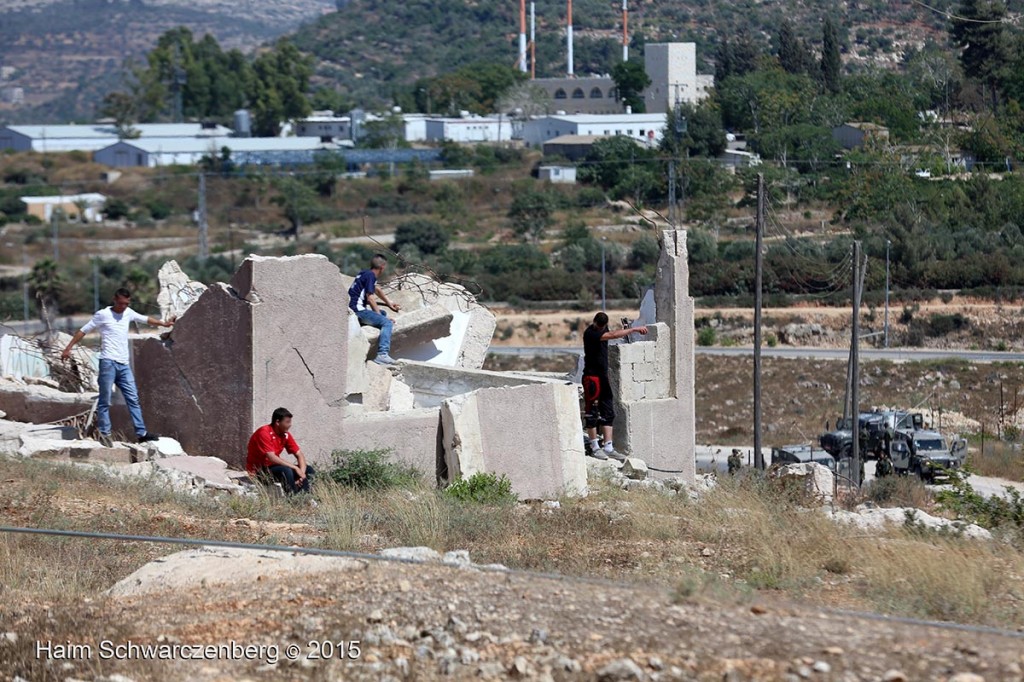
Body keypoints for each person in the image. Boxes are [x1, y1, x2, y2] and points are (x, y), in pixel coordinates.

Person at [61, 288, 172, 448]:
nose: (123, 306)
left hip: (123, 365)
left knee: (133, 399)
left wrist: (164, 323)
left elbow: (145, 319)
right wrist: (68, 348)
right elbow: (83, 331)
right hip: (108, 363)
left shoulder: (128, 312)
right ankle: (104, 434)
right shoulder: (103, 314)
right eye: (120, 303)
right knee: (105, 400)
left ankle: (141, 434)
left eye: (126, 304)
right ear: (114, 300)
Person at [582, 312, 648, 460]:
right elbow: (612, 335)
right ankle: (594, 447)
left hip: (603, 377)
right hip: (591, 378)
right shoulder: (591, 333)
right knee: (591, 412)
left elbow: (613, 333)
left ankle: (608, 446)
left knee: (608, 410)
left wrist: (627, 328)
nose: (599, 327)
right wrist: (633, 330)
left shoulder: (602, 329)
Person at [246, 407, 315, 495]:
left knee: (309, 469)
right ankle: (292, 498)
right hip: (259, 471)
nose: (290, 425)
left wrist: (301, 473)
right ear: (277, 422)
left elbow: (299, 454)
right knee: (286, 470)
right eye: (287, 422)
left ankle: (304, 497)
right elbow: (272, 458)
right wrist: (295, 468)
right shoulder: (264, 432)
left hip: (274, 468)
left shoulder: (285, 434)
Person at [349, 254, 402, 365]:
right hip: (358, 311)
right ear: (383, 267)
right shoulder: (371, 276)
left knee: (382, 313)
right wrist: (380, 317)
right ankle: (382, 354)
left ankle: (377, 319)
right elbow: (371, 298)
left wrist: (389, 303)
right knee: (387, 323)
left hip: (353, 309)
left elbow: (377, 289)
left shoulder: (365, 273)